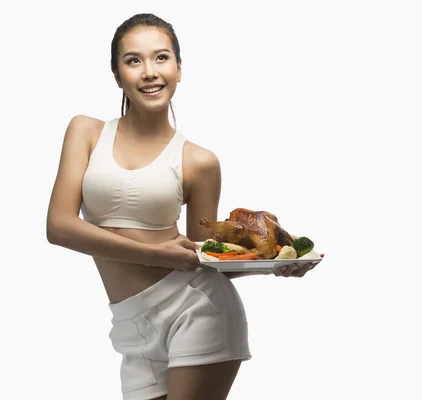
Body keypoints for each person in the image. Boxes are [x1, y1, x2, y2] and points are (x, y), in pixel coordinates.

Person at [46, 13, 320, 400]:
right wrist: (153, 255)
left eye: (161, 58)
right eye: (133, 60)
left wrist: (272, 267)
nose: (149, 72)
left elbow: (202, 256)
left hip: (198, 310)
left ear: (178, 68)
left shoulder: (199, 161)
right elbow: (58, 226)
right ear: (116, 73)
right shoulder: (86, 132)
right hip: (130, 325)